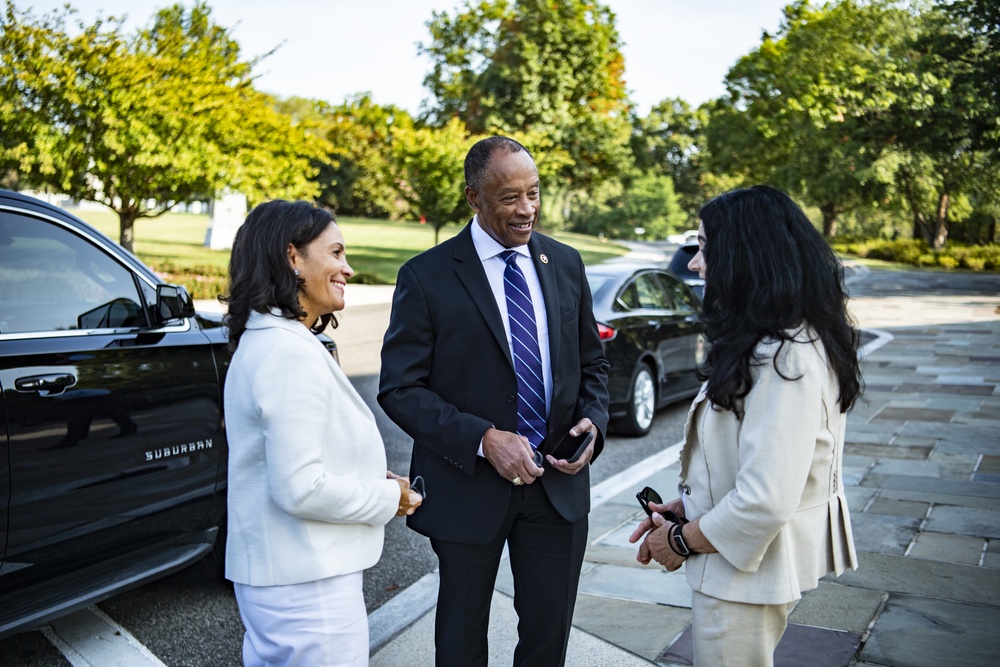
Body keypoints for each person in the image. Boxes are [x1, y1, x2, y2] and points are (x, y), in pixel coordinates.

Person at [377, 136, 610, 667]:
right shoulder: (426, 275)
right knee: (460, 643)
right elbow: (399, 389)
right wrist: (483, 439)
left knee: (547, 642)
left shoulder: (566, 263)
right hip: (467, 490)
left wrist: (593, 424)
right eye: (509, 197)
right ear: (473, 198)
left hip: (558, 490)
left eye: (533, 193)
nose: (526, 209)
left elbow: (593, 364)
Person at [630, 185, 862, 666]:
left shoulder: (784, 358)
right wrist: (688, 506)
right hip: (744, 568)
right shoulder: (785, 340)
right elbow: (756, 463)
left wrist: (677, 540)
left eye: (704, 247)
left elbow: (765, 499)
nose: (695, 263)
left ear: (745, 256)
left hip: (743, 578)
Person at [221, 200, 421, 667]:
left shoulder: (270, 340)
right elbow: (300, 487)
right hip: (307, 593)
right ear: (293, 257)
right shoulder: (286, 352)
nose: (347, 268)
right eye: (335, 252)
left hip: (286, 582)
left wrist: (375, 478)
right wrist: (388, 499)